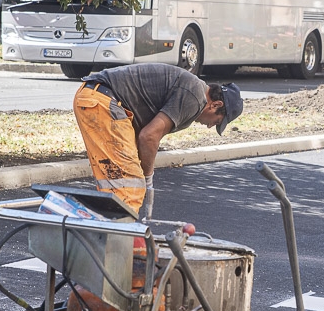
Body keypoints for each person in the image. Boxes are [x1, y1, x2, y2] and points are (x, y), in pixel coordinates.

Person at [73, 63, 243, 220]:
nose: (209, 126)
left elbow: (143, 136)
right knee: (128, 185)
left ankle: (110, 236)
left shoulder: (193, 91)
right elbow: (149, 137)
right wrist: (148, 177)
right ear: (216, 105)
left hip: (98, 97)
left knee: (118, 182)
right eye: (217, 122)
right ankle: (119, 245)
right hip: (102, 101)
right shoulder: (195, 98)